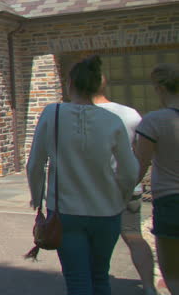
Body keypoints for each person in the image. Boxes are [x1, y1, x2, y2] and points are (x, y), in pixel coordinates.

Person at [27, 55, 139, 295]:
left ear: (70, 84)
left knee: (77, 280)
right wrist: (123, 197)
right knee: (100, 277)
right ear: (98, 86)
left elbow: (35, 163)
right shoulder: (112, 121)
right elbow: (130, 170)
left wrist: (37, 198)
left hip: (66, 213)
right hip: (107, 212)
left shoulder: (52, 113)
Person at [93, 77, 157, 295]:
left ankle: (96, 285)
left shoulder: (82, 116)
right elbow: (141, 153)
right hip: (128, 187)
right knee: (133, 235)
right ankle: (148, 286)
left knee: (93, 241)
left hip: (97, 191)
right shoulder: (130, 113)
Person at [135, 63, 179, 295]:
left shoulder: (154, 121)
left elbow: (140, 164)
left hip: (171, 203)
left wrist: (122, 193)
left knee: (172, 275)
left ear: (160, 88)